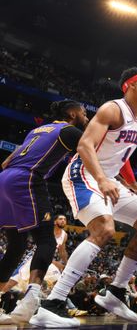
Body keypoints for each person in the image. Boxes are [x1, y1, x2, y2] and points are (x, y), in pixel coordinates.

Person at [31, 68, 137, 328]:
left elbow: (122, 154)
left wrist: (131, 183)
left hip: (109, 178)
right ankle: (53, 303)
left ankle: (115, 292)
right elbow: (84, 146)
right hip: (85, 173)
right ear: (130, 85)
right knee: (104, 229)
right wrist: (102, 179)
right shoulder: (112, 109)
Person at [0, 101, 88, 325]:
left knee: (16, 246)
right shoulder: (69, 130)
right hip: (27, 178)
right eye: (83, 112)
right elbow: (91, 150)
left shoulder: (37, 130)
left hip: (5, 179)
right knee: (47, 239)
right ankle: (31, 299)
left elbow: (6, 161)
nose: (86, 116)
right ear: (71, 113)